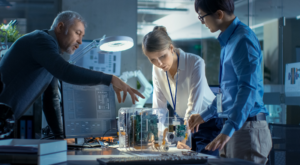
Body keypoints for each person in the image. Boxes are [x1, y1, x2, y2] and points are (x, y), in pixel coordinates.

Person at [0, 11, 144, 138]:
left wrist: (60, 137)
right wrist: (110, 78)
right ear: (60, 27)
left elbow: (51, 99)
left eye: (82, 35)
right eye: (78, 33)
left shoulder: (50, 54)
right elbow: (65, 71)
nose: (80, 41)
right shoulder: (41, 40)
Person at [188, 0, 272, 164]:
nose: (203, 22)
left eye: (202, 17)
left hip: (247, 130)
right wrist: (204, 116)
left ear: (219, 14)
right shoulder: (229, 40)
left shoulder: (243, 40)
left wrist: (229, 128)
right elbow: (226, 94)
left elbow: (247, 89)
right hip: (235, 127)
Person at [142, 26, 223, 156]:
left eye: (163, 56)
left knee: (204, 160)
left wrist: (184, 138)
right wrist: (157, 137)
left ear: (171, 48)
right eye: (153, 60)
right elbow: (159, 108)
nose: (159, 63)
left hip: (207, 121)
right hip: (183, 123)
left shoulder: (195, 62)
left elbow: (193, 108)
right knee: (182, 159)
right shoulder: (156, 69)